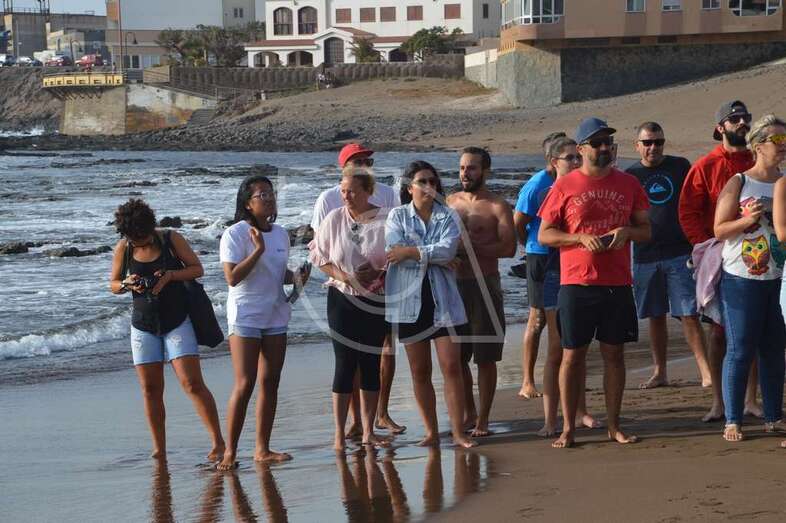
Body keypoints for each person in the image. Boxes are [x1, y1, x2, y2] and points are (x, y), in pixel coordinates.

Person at [538, 117, 651, 448]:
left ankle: (614, 426)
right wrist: (578, 238)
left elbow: (646, 230)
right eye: (598, 143)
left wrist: (627, 232)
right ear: (582, 148)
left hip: (618, 282)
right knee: (572, 356)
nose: (605, 148)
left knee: (614, 355)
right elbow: (545, 234)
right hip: (577, 283)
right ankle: (568, 427)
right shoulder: (565, 185)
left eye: (608, 143)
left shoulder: (629, 183)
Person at [109, 198, 225, 461]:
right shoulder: (124, 248)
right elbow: (113, 284)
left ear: (151, 227)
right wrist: (127, 284)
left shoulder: (171, 239)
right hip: (143, 325)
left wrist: (171, 275)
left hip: (177, 320)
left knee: (192, 383)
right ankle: (159, 449)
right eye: (135, 240)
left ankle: (218, 442)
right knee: (150, 389)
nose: (140, 243)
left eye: (144, 238)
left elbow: (197, 269)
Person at [311, 143, 405, 437]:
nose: (365, 163)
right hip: (342, 294)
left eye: (368, 160)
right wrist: (347, 277)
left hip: (379, 293)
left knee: (377, 356)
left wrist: (380, 272)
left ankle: (376, 421)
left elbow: (399, 245)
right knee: (346, 361)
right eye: (357, 160)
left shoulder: (387, 201)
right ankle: (348, 427)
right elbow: (319, 252)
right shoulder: (330, 204)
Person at [217, 175, 311, 470]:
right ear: (248, 203)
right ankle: (230, 452)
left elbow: (277, 273)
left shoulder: (280, 233)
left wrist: (297, 277)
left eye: (271, 194)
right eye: (262, 195)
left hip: (275, 312)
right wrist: (257, 250)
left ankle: (262, 449)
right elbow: (232, 277)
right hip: (246, 314)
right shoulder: (235, 234)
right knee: (245, 383)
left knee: (271, 381)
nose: (269, 199)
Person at [678, 100, 762, 422]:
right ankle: (719, 401)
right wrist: (707, 247)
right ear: (720, 127)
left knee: (753, 330)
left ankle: (751, 399)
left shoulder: (759, 161)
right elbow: (687, 211)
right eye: (734, 118)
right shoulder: (705, 166)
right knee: (719, 331)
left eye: (745, 118)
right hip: (719, 257)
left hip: (759, 256)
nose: (742, 122)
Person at [385, 160, 476, 448]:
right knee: (420, 371)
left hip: (443, 301)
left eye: (433, 182)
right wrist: (431, 256)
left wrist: (411, 252)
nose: (428, 187)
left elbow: (447, 250)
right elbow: (393, 251)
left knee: (451, 366)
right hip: (409, 303)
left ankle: (458, 432)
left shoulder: (447, 215)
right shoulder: (397, 216)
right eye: (422, 182)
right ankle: (431, 432)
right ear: (409, 187)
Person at [715, 114, 786, 443]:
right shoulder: (740, 182)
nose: (783, 146)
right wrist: (747, 220)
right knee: (741, 348)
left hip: (777, 277)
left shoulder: (784, 182)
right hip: (740, 277)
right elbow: (719, 230)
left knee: (773, 349)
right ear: (758, 146)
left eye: (785, 140)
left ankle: (773, 417)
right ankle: (733, 419)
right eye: (777, 140)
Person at [626, 122, 713, 389]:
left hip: (679, 252)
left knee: (688, 313)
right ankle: (659, 372)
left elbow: (697, 201)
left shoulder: (679, 166)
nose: (653, 147)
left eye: (659, 142)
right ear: (637, 146)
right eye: (648, 142)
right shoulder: (630, 176)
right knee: (655, 315)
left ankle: (706, 372)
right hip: (645, 256)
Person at [447, 147, 516, 437]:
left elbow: (509, 248)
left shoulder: (498, 207)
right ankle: (469, 413)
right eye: (463, 167)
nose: (466, 173)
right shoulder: (450, 202)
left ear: (485, 171)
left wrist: (471, 248)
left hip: (484, 284)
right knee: (456, 356)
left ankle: (484, 419)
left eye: (472, 168)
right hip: (453, 286)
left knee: (486, 356)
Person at [534, 136, 599, 437]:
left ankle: (580, 411)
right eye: (569, 158)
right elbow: (539, 234)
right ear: (554, 162)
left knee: (579, 347)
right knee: (557, 348)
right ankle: (550, 418)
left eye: (577, 157)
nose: (575, 162)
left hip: (586, 274)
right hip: (555, 273)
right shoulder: (551, 191)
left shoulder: (587, 186)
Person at [514, 131, 565, 399]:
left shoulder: (570, 180)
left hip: (564, 252)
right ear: (551, 158)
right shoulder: (537, 185)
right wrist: (529, 246)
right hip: (540, 254)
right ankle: (527, 381)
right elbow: (519, 221)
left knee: (562, 316)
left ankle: (561, 376)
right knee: (537, 319)